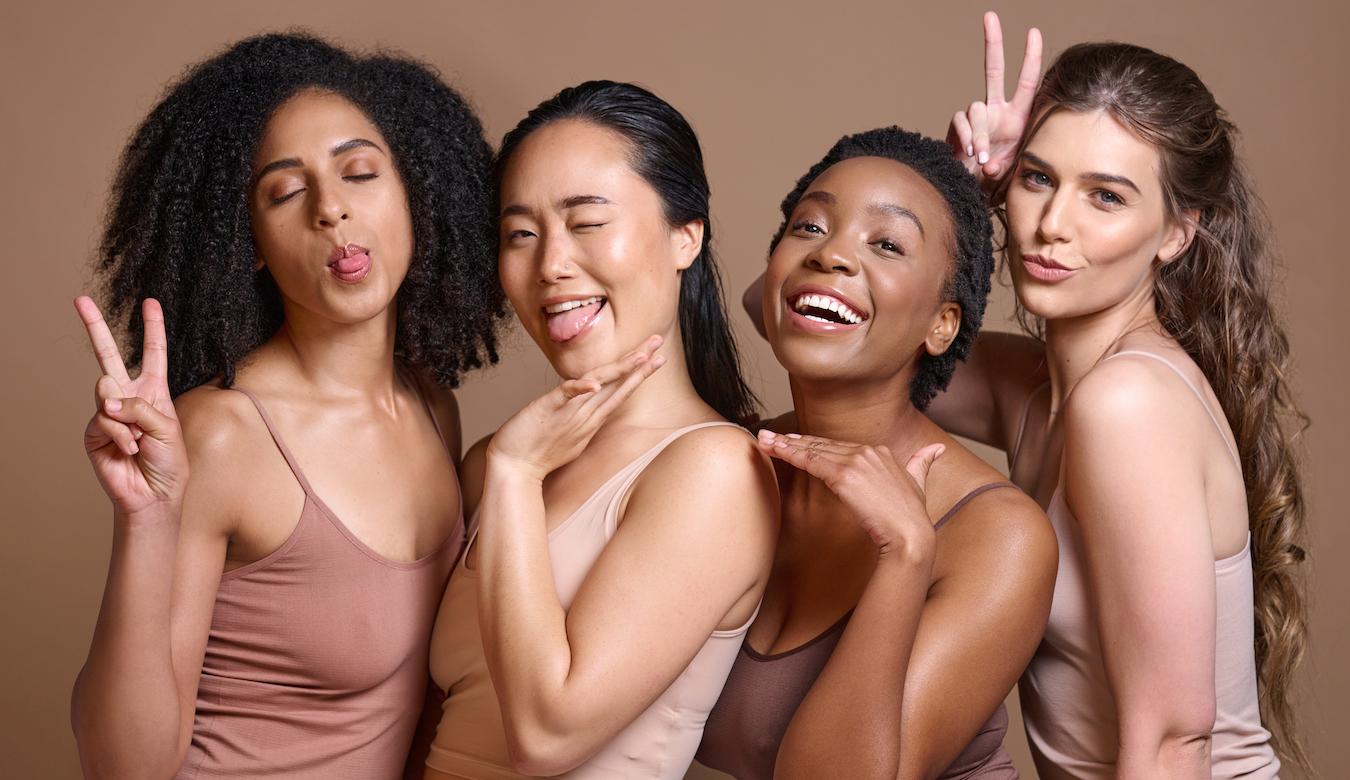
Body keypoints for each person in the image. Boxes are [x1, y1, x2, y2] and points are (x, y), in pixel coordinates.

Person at [69, 33, 500, 779]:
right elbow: (124, 767)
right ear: (254, 246)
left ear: (415, 195)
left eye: (360, 172)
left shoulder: (432, 407)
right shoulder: (222, 434)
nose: (331, 209)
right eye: (286, 192)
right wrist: (146, 522)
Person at [935, 13, 1308, 778]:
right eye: (1037, 178)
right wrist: (952, 194)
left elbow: (1176, 742)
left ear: (1177, 233)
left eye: (1105, 197)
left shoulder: (1128, 403)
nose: (1051, 225)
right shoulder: (1035, 391)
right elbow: (808, 327)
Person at [423, 81, 779, 780]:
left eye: (586, 222)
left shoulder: (714, 472)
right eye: (520, 234)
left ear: (686, 236)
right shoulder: (488, 463)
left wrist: (518, 476)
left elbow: (545, 735)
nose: (550, 265)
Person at [696, 127, 1056, 779]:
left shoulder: (998, 534)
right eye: (808, 227)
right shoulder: (723, 463)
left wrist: (905, 556)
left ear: (942, 325)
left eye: (887, 243)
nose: (831, 255)